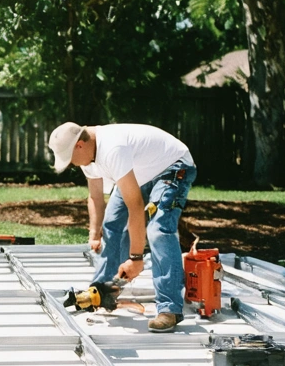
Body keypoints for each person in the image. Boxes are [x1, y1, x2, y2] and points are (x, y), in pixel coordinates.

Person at [47, 121, 197, 333]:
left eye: (70, 159)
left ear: (79, 144)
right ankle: (102, 291)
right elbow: (95, 196)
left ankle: (169, 308)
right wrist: (94, 232)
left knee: (158, 230)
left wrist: (136, 259)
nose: (72, 164)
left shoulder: (112, 149)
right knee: (112, 222)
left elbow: (135, 206)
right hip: (143, 171)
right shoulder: (89, 156)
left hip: (173, 166)